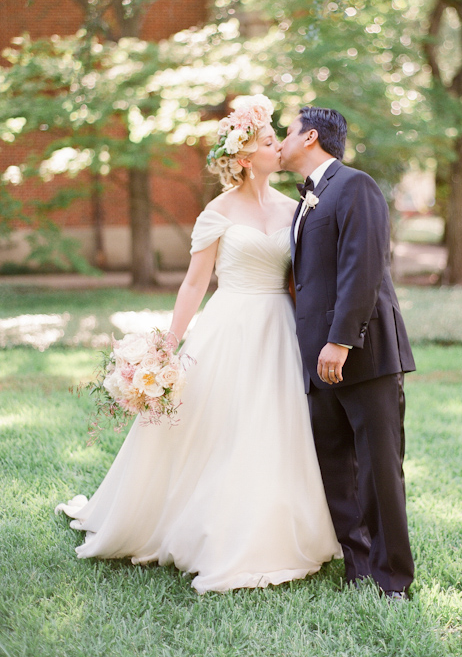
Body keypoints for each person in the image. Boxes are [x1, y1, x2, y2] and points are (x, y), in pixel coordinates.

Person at [56, 95, 340, 594]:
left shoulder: (298, 207)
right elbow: (194, 284)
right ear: (248, 156)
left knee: (274, 425)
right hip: (228, 325)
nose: (281, 146)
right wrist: (168, 344)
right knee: (219, 426)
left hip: (279, 327)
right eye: (271, 141)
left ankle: (274, 526)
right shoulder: (217, 211)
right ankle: (204, 526)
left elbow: (303, 277)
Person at [278, 105, 416, 600]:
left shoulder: (354, 185)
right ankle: (358, 566)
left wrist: (339, 340)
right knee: (336, 468)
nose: (279, 141)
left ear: (310, 136)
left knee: (379, 469)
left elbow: (363, 266)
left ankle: (392, 579)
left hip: (363, 353)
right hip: (317, 362)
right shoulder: (306, 200)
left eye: (285, 132)